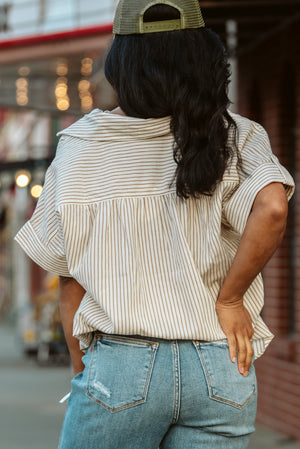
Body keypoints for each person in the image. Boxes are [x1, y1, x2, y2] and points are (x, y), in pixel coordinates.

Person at [15, 1, 295, 448]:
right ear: (204, 58)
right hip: (221, 365)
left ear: (122, 64)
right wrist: (231, 298)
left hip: (123, 366)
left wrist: (80, 367)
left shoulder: (82, 146)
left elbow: (70, 279)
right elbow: (274, 208)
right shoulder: (236, 135)